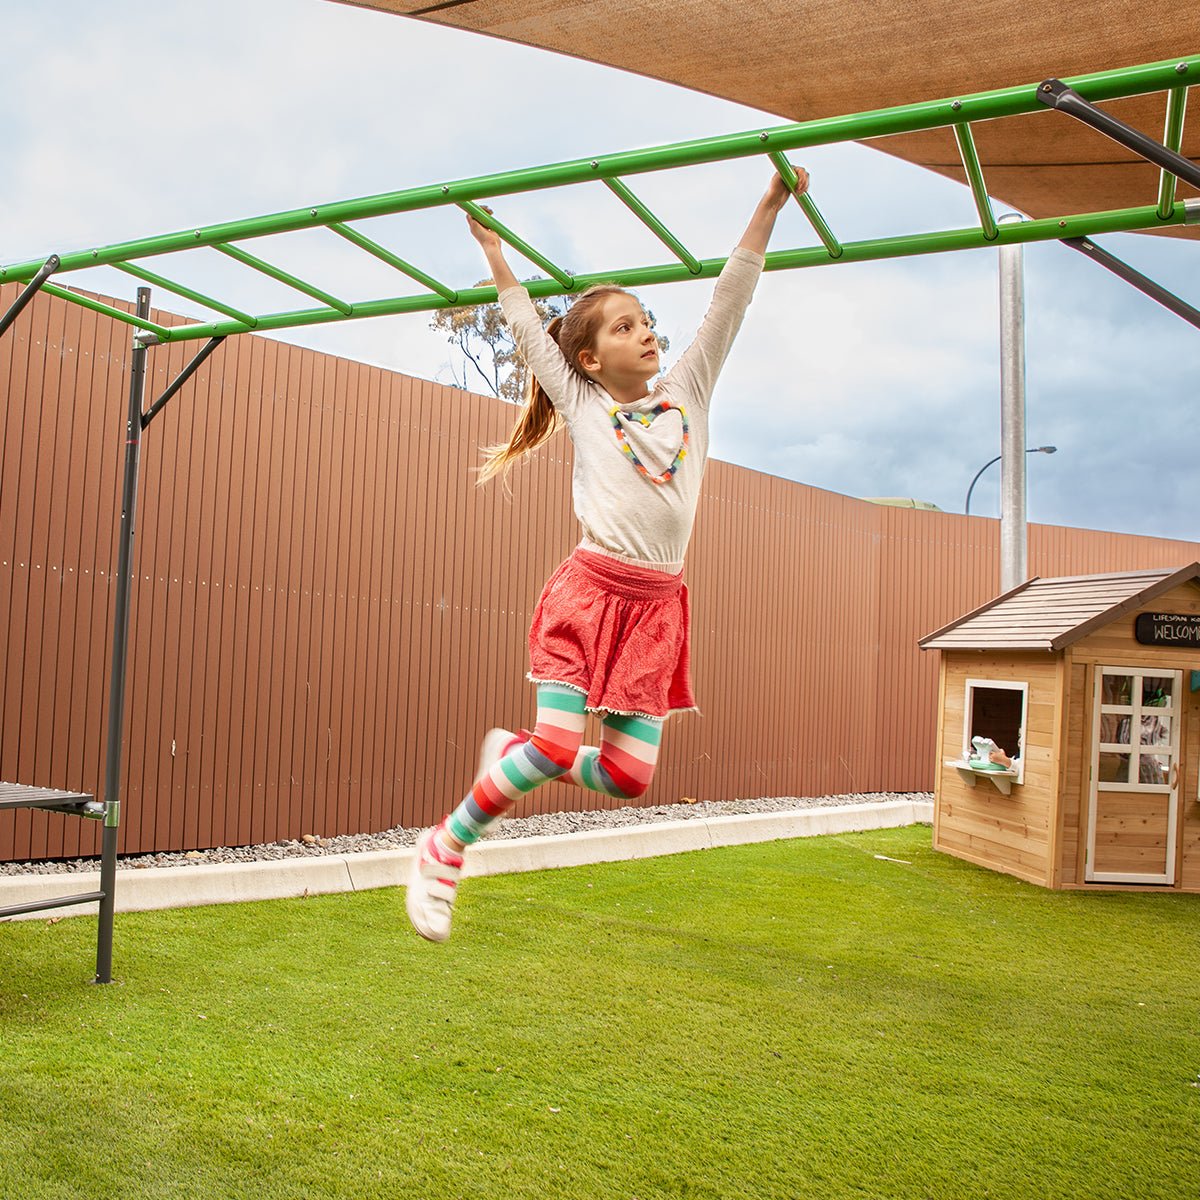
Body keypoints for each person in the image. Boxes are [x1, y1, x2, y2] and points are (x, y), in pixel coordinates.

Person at [406, 165, 809, 942]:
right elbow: (527, 329)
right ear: (589, 361)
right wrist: (494, 252)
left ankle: (515, 755)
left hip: (658, 608)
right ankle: (445, 845)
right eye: (622, 327)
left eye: (643, 318)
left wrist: (768, 204)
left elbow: (731, 298)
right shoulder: (585, 406)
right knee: (557, 744)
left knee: (629, 777)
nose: (644, 330)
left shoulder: (689, 389)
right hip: (589, 594)